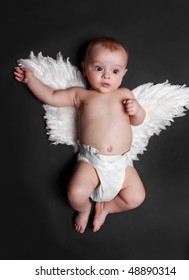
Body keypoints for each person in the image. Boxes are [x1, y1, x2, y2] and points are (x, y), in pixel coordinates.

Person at [14, 37, 146, 233]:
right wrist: (31, 80)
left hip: (122, 163)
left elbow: (138, 121)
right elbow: (51, 96)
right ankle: (85, 209)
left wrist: (137, 110)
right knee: (75, 193)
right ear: (85, 69)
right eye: (99, 68)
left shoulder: (125, 94)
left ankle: (106, 208)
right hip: (91, 161)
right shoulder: (81, 95)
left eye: (115, 71)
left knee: (136, 198)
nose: (106, 76)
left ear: (124, 74)